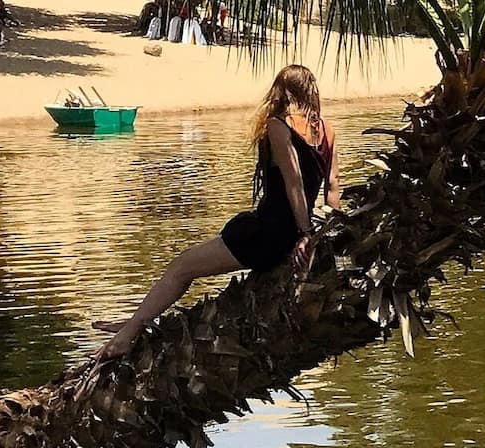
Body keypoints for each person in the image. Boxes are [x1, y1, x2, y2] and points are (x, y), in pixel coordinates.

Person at [92, 65, 342, 359]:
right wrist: (322, 236)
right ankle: (135, 322)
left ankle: (128, 334)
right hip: (293, 231)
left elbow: (294, 182)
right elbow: (333, 189)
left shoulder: (279, 125)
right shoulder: (326, 129)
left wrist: (303, 234)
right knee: (184, 267)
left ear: (283, 90)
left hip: (270, 234)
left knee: (181, 268)